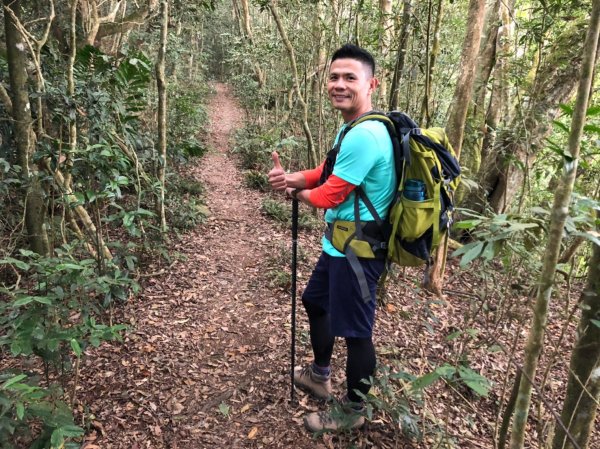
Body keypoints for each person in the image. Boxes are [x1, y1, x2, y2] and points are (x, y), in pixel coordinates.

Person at [268, 44, 396, 432]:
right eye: (334, 77)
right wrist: (293, 178)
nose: (339, 84)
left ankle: (352, 412)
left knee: (357, 333)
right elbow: (325, 172)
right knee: (314, 301)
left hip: (358, 251)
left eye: (349, 78)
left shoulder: (367, 136)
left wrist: (295, 193)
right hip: (339, 244)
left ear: (371, 84)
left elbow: (328, 196)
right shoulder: (353, 127)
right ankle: (320, 375)